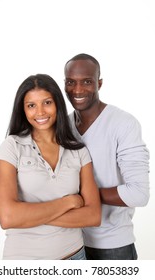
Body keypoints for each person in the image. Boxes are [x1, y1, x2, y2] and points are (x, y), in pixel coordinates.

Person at [0, 73, 101, 260]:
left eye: (47, 102)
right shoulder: (12, 147)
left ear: (58, 104)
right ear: (23, 110)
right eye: (31, 106)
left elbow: (93, 216)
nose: (40, 112)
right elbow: (8, 218)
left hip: (75, 258)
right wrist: (67, 203)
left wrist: (28, 215)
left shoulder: (79, 151)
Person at [64, 53, 150, 260]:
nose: (77, 90)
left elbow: (139, 194)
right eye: (70, 82)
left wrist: (80, 197)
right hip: (71, 245)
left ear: (99, 83)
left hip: (113, 246)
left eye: (87, 82)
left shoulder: (123, 123)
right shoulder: (64, 126)